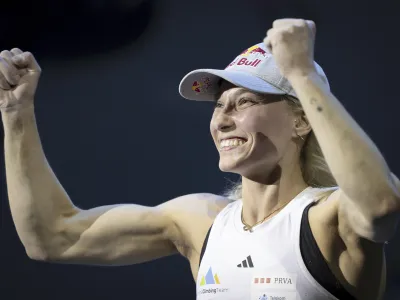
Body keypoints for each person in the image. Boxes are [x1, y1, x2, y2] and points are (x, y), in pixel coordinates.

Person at [1, 18, 399, 300]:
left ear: (301, 120)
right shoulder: (200, 221)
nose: (222, 120)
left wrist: (303, 75)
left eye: (243, 102)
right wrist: (16, 116)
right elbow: (52, 237)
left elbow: (381, 203)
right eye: (218, 106)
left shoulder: (327, 218)